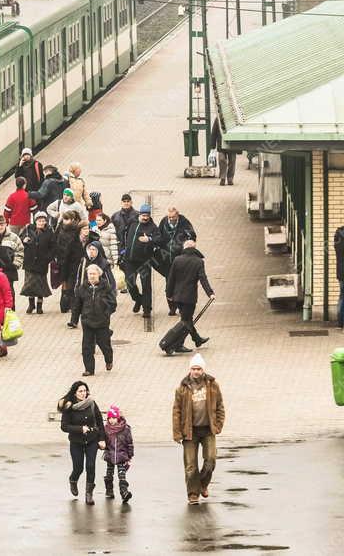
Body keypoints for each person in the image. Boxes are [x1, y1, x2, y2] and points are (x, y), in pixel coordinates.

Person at [172, 353, 226, 505]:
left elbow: (220, 406)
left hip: (208, 429)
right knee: (190, 466)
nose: (196, 371)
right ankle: (193, 493)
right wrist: (177, 433)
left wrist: (218, 424)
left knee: (211, 460)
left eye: (198, 369)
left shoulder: (212, 385)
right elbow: (176, 411)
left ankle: (203, 484)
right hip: (190, 431)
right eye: (193, 368)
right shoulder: (182, 388)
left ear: (203, 370)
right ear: (190, 370)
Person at [58, 380, 106, 505]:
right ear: (75, 393)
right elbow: (64, 426)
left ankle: (89, 494)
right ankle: (73, 480)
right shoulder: (69, 407)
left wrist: (102, 439)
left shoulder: (91, 403)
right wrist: (80, 429)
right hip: (76, 441)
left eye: (85, 391)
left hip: (92, 440)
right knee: (78, 467)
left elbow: (100, 421)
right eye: (80, 391)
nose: (83, 393)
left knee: (90, 466)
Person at [164, 240, 214, 353]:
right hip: (189, 298)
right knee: (185, 322)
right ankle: (177, 345)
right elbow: (203, 279)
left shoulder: (177, 260)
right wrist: (210, 293)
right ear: (195, 248)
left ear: (184, 247)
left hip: (177, 297)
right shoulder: (198, 261)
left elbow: (171, 278)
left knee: (186, 320)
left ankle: (196, 339)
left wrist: (169, 294)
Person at [70, 265, 117, 376]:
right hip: (87, 321)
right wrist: (74, 320)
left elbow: (113, 303)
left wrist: (106, 312)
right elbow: (77, 305)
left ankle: (109, 360)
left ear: (98, 275)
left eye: (94, 274)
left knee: (104, 345)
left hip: (102, 322)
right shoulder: (82, 288)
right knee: (87, 347)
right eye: (90, 274)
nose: (91, 276)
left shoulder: (106, 287)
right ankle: (89, 369)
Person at [121, 204, 159, 318]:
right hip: (130, 260)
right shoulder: (132, 222)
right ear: (140, 214)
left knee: (146, 285)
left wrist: (149, 239)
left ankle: (147, 309)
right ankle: (139, 299)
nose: (145, 218)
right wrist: (123, 250)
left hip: (144, 261)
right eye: (143, 215)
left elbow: (159, 239)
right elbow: (124, 233)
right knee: (129, 283)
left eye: (147, 215)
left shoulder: (152, 227)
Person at [21, 212, 54, 314]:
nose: (41, 222)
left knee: (41, 285)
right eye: (39, 220)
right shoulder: (28, 230)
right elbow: (20, 241)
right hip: (29, 262)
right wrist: (24, 240)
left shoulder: (49, 232)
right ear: (35, 221)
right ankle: (31, 305)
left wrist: (48, 258)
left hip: (42, 263)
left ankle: (39, 305)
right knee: (30, 285)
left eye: (43, 221)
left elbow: (53, 247)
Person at [54, 211, 87, 313]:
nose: (65, 221)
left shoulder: (76, 230)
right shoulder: (60, 228)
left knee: (71, 283)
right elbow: (55, 241)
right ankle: (64, 305)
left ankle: (73, 305)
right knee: (64, 282)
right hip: (62, 260)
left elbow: (76, 246)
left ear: (73, 219)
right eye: (64, 219)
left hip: (73, 260)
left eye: (67, 219)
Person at [103, 405, 134, 503]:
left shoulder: (125, 429)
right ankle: (109, 490)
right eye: (109, 418)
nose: (111, 420)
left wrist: (130, 456)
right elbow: (103, 441)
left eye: (114, 418)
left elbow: (130, 443)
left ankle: (124, 492)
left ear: (118, 418)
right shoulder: (106, 429)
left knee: (122, 475)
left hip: (122, 456)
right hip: (110, 455)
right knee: (109, 474)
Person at [212, 117, 238, 186]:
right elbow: (214, 132)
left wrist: (239, 147)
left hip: (232, 144)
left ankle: (230, 178)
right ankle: (223, 178)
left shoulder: (234, 118)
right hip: (221, 144)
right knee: (221, 159)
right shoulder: (218, 119)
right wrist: (213, 145)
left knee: (232, 161)